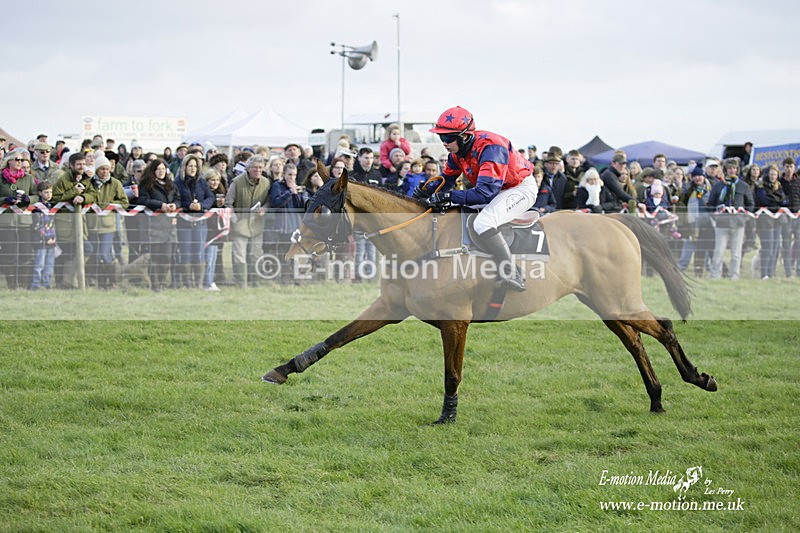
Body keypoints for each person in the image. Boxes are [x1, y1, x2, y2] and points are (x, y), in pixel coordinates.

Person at [417, 106, 537, 291]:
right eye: (441, 137)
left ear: (464, 136)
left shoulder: (491, 148)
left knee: (483, 223)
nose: (444, 143)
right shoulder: (457, 153)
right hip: (496, 189)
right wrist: (425, 191)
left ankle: (511, 272)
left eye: (447, 138)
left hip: (519, 188)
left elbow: (484, 193)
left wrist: (448, 196)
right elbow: (447, 178)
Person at [225, 156, 270, 288]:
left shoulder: (266, 183)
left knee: (256, 253)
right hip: (240, 224)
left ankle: (255, 282)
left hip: (257, 224)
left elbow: (269, 201)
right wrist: (235, 220)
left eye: (260, 167)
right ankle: (241, 283)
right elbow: (228, 203)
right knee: (239, 254)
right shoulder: (236, 182)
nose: (258, 170)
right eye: (255, 167)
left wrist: (264, 209)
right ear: (248, 169)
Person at [707, 158, 755, 280]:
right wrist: (716, 215)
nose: (732, 170)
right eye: (729, 168)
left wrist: (744, 217)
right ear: (725, 170)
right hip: (721, 223)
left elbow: (750, 204)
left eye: (734, 168)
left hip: (738, 224)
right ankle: (715, 275)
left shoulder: (743, 186)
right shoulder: (718, 186)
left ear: (737, 170)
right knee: (719, 251)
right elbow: (710, 204)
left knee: (736, 253)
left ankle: (734, 275)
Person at [137, 158, 180, 291]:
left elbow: (178, 199)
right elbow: (143, 200)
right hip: (153, 224)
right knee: (155, 256)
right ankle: (155, 285)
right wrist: (160, 205)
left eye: (163, 169)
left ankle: (161, 282)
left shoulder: (171, 184)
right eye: (158, 169)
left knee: (167, 257)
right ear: (153, 171)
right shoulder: (146, 184)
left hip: (169, 224)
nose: (161, 171)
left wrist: (175, 205)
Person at [86, 156, 129, 289]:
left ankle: (112, 280)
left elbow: (124, 202)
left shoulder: (115, 183)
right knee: (95, 254)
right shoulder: (89, 183)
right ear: (97, 170)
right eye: (102, 169)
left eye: (107, 169)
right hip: (92, 224)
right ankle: (100, 281)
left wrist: (111, 205)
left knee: (104, 253)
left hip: (108, 225)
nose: (105, 172)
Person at [174, 154, 214, 289]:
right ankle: (187, 283)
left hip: (201, 223)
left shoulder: (202, 182)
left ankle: (198, 283)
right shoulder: (177, 182)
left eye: (195, 166)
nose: (192, 168)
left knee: (198, 253)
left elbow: (210, 198)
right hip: (184, 222)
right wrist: (187, 206)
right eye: (190, 166)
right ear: (184, 167)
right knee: (185, 252)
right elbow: (176, 199)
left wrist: (201, 206)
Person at [0, 149, 37, 289]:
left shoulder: (28, 178)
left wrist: (29, 199)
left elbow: (36, 195)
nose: (19, 162)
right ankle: (11, 284)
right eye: (17, 159)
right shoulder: (1, 178)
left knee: (25, 253)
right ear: (8, 161)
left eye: (21, 160)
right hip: (6, 221)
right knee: (8, 253)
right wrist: (5, 199)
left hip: (24, 222)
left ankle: (22, 284)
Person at [269, 162, 309, 284]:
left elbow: (302, 208)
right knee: (286, 252)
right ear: (284, 174)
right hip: (283, 226)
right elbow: (275, 203)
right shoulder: (277, 186)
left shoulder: (298, 188)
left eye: (294, 175)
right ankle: (285, 278)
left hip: (296, 226)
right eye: (289, 175)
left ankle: (298, 278)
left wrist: (297, 195)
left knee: (298, 253)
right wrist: (289, 192)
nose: (292, 178)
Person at [678, 166, 714, 276]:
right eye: (695, 176)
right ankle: (683, 268)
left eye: (700, 176)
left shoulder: (711, 189)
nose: (698, 178)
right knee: (689, 247)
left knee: (708, 247)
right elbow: (682, 206)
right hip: (692, 223)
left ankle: (709, 269)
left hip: (709, 223)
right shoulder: (688, 190)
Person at [754, 164, 787, 280]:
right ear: (767, 175)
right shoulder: (761, 185)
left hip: (777, 219)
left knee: (776, 247)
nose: (773, 176)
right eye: (771, 174)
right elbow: (764, 200)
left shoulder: (779, 186)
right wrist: (775, 200)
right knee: (767, 246)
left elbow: (784, 201)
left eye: (775, 174)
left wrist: (774, 199)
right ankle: (764, 273)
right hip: (765, 220)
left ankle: (771, 272)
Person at [30, 181, 57, 290]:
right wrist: (46, 238)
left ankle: (47, 284)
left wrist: (53, 237)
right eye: (46, 192)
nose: (49, 195)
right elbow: (37, 226)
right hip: (40, 240)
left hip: (52, 239)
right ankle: (35, 285)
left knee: (49, 265)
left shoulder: (52, 206)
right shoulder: (36, 207)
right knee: (39, 264)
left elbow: (53, 224)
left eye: (50, 192)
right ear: (40, 193)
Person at [203, 169, 226, 291]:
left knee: (214, 256)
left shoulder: (220, 192)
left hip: (217, 228)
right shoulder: (205, 193)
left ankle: (210, 280)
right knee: (208, 256)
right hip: (206, 227)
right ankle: (207, 281)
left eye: (217, 180)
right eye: (212, 180)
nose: (215, 182)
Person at [779, 158, 800, 277]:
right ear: (783, 167)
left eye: (791, 166)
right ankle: (788, 271)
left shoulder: (798, 181)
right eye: (786, 166)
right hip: (785, 217)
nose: (789, 169)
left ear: (794, 167)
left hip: (798, 217)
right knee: (786, 244)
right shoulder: (780, 181)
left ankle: (798, 269)